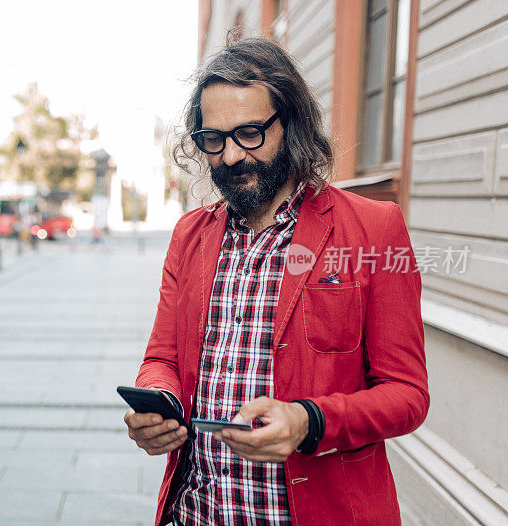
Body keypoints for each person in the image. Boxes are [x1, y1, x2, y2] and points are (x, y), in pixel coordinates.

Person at [124, 37, 429, 526]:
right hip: (197, 512)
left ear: (291, 125)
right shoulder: (189, 234)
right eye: (213, 139)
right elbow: (162, 357)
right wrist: (158, 405)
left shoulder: (375, 228)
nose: (229, 156)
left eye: (249, 133)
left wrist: (309, 421)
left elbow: (407, 394)